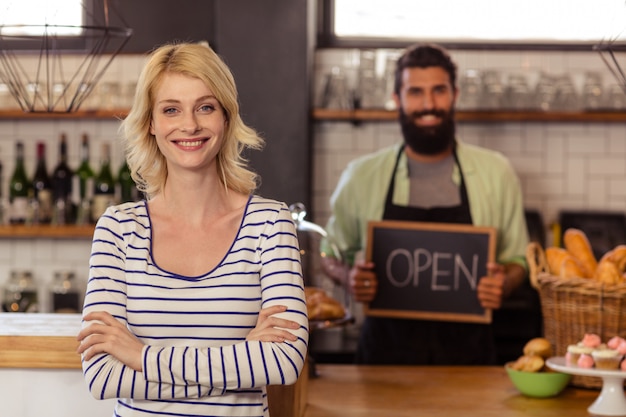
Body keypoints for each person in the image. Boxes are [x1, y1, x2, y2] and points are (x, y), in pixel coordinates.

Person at [76, 42, 309, 417]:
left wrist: (141, 356)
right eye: (171, 109)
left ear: (226, 118)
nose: (190, 125)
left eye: (205, 107)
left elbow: (284, 363)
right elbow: (103, 377)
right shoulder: (118, 229)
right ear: (150, 122)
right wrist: (241, 359)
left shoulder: (270, 224)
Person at [324, 43, 528, 365]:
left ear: (455, 95)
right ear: (397, 100)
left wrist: (504, 282)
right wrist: (348, 276)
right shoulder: (361, 176)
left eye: (439, 91)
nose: (429, 104)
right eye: (415, 92)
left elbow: (519, 259)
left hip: (470, 362)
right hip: (383, 359)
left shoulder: (497, 173)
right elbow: (330, 252)